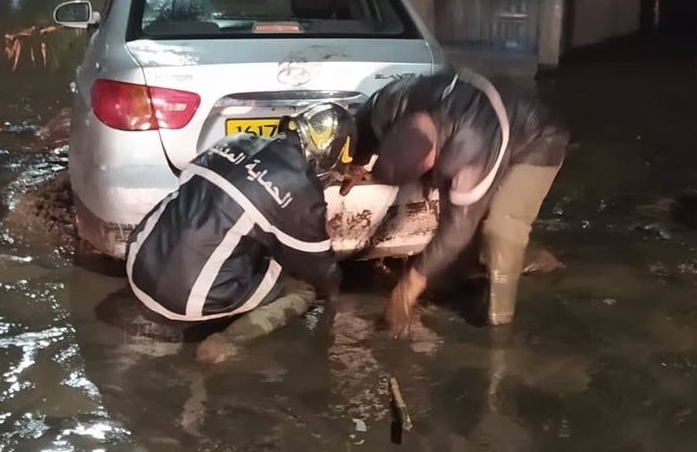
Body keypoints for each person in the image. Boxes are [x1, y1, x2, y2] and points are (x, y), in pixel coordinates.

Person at [343, 67, 568, 332]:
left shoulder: (469, 149)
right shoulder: (391, 104)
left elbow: (457, 228)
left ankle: (499, 325)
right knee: (465, 246)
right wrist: (356, 162)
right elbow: (365, 125)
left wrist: (406, 290)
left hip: (538, 141)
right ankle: (513, 261)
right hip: (489, 121)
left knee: (501, 229)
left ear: (431, 161)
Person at [124, 102, 354, 336]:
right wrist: (334, 293)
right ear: (327, 156)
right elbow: (319, 268)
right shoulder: (300, 187)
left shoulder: (234, 140)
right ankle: (230, 340)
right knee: (303, 288)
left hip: (139, 263)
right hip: (188, 300)